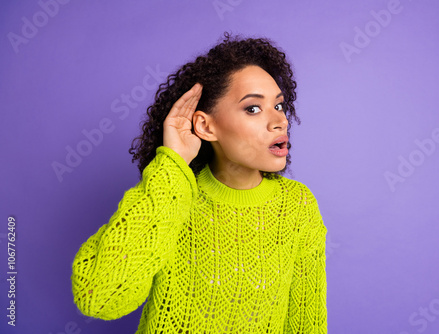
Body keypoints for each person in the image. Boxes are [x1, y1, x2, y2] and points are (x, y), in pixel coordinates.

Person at [71, 32, 328, 333]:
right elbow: (99, 298)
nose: (280, 121)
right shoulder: (172, 195)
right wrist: (172, 165)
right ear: (206, 126)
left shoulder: (297, 206)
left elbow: (305, 325)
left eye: (279, 106)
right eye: (253, 108)